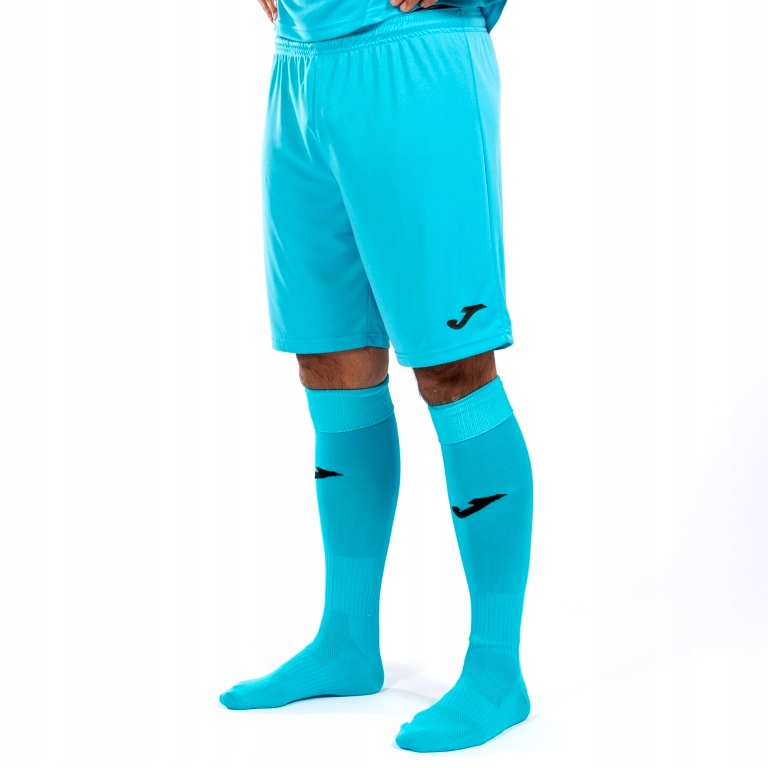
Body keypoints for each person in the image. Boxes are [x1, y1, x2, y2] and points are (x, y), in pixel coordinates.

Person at [219, 0, 534, 753]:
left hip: (411, 60)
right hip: (300, 67)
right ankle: (348, 639)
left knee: (453, 369)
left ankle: (497, 669)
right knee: (331, 357)